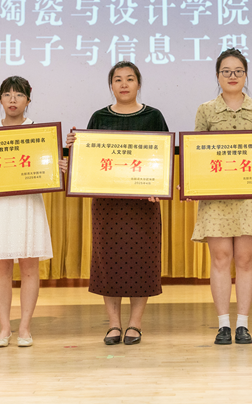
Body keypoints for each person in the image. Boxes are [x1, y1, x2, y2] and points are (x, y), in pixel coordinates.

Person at [63, 61, 168, 346]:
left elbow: (163, 159)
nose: (124, 84)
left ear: (138, 84)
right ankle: (113, 324)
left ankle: (135, 323)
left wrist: (159, 187)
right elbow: (88, 161)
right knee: (108, 261)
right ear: (111, 85)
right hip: (107, 204)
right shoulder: (99, 117)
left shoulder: (153, 116)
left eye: (130, 79)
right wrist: (75, 146)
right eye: (118, 79)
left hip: (143, 204)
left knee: (142, 261)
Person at [191, 48, 252, 345]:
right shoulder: (205, 110)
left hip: (248, 197)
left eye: (238, 71)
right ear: (217, 76)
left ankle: (242, 324)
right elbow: (196, 155)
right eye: (226, 71)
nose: (232, 76)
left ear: (246, 75)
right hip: (216, 196)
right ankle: (223, 325)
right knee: (220, 258)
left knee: (244, 259)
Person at [0, 76, 53, 348]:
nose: (12, 100)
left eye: (18, 95)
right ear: (0, 99)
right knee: (1, 267)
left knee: (29, 267)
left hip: (28, 203)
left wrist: (58, 166)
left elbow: (47, 167)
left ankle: (25, 328)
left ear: (28, 100)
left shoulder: (39, 132)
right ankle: (4, 328)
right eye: (7, 95)